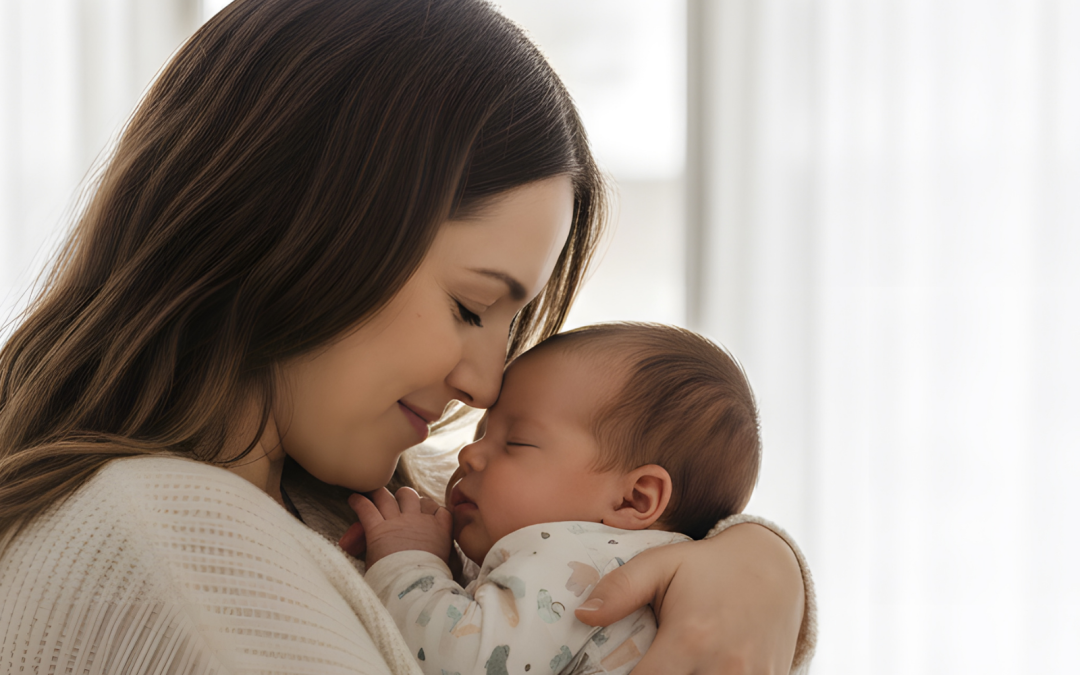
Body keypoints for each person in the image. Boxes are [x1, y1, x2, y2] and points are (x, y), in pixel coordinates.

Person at [0, 1, 813, 674]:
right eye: (470, 306)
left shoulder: (365, 496)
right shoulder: (190, 563)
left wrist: (756, 561)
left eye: (511, 322)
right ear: (303, 227)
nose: (488, 385)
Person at [352, 322, 767, 675]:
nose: (469, 454)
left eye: (516, 442)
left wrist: (408, 562)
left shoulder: (579, 559)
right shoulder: (623, 563)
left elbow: (461, 659)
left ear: (634, 500)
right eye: (481, 433)